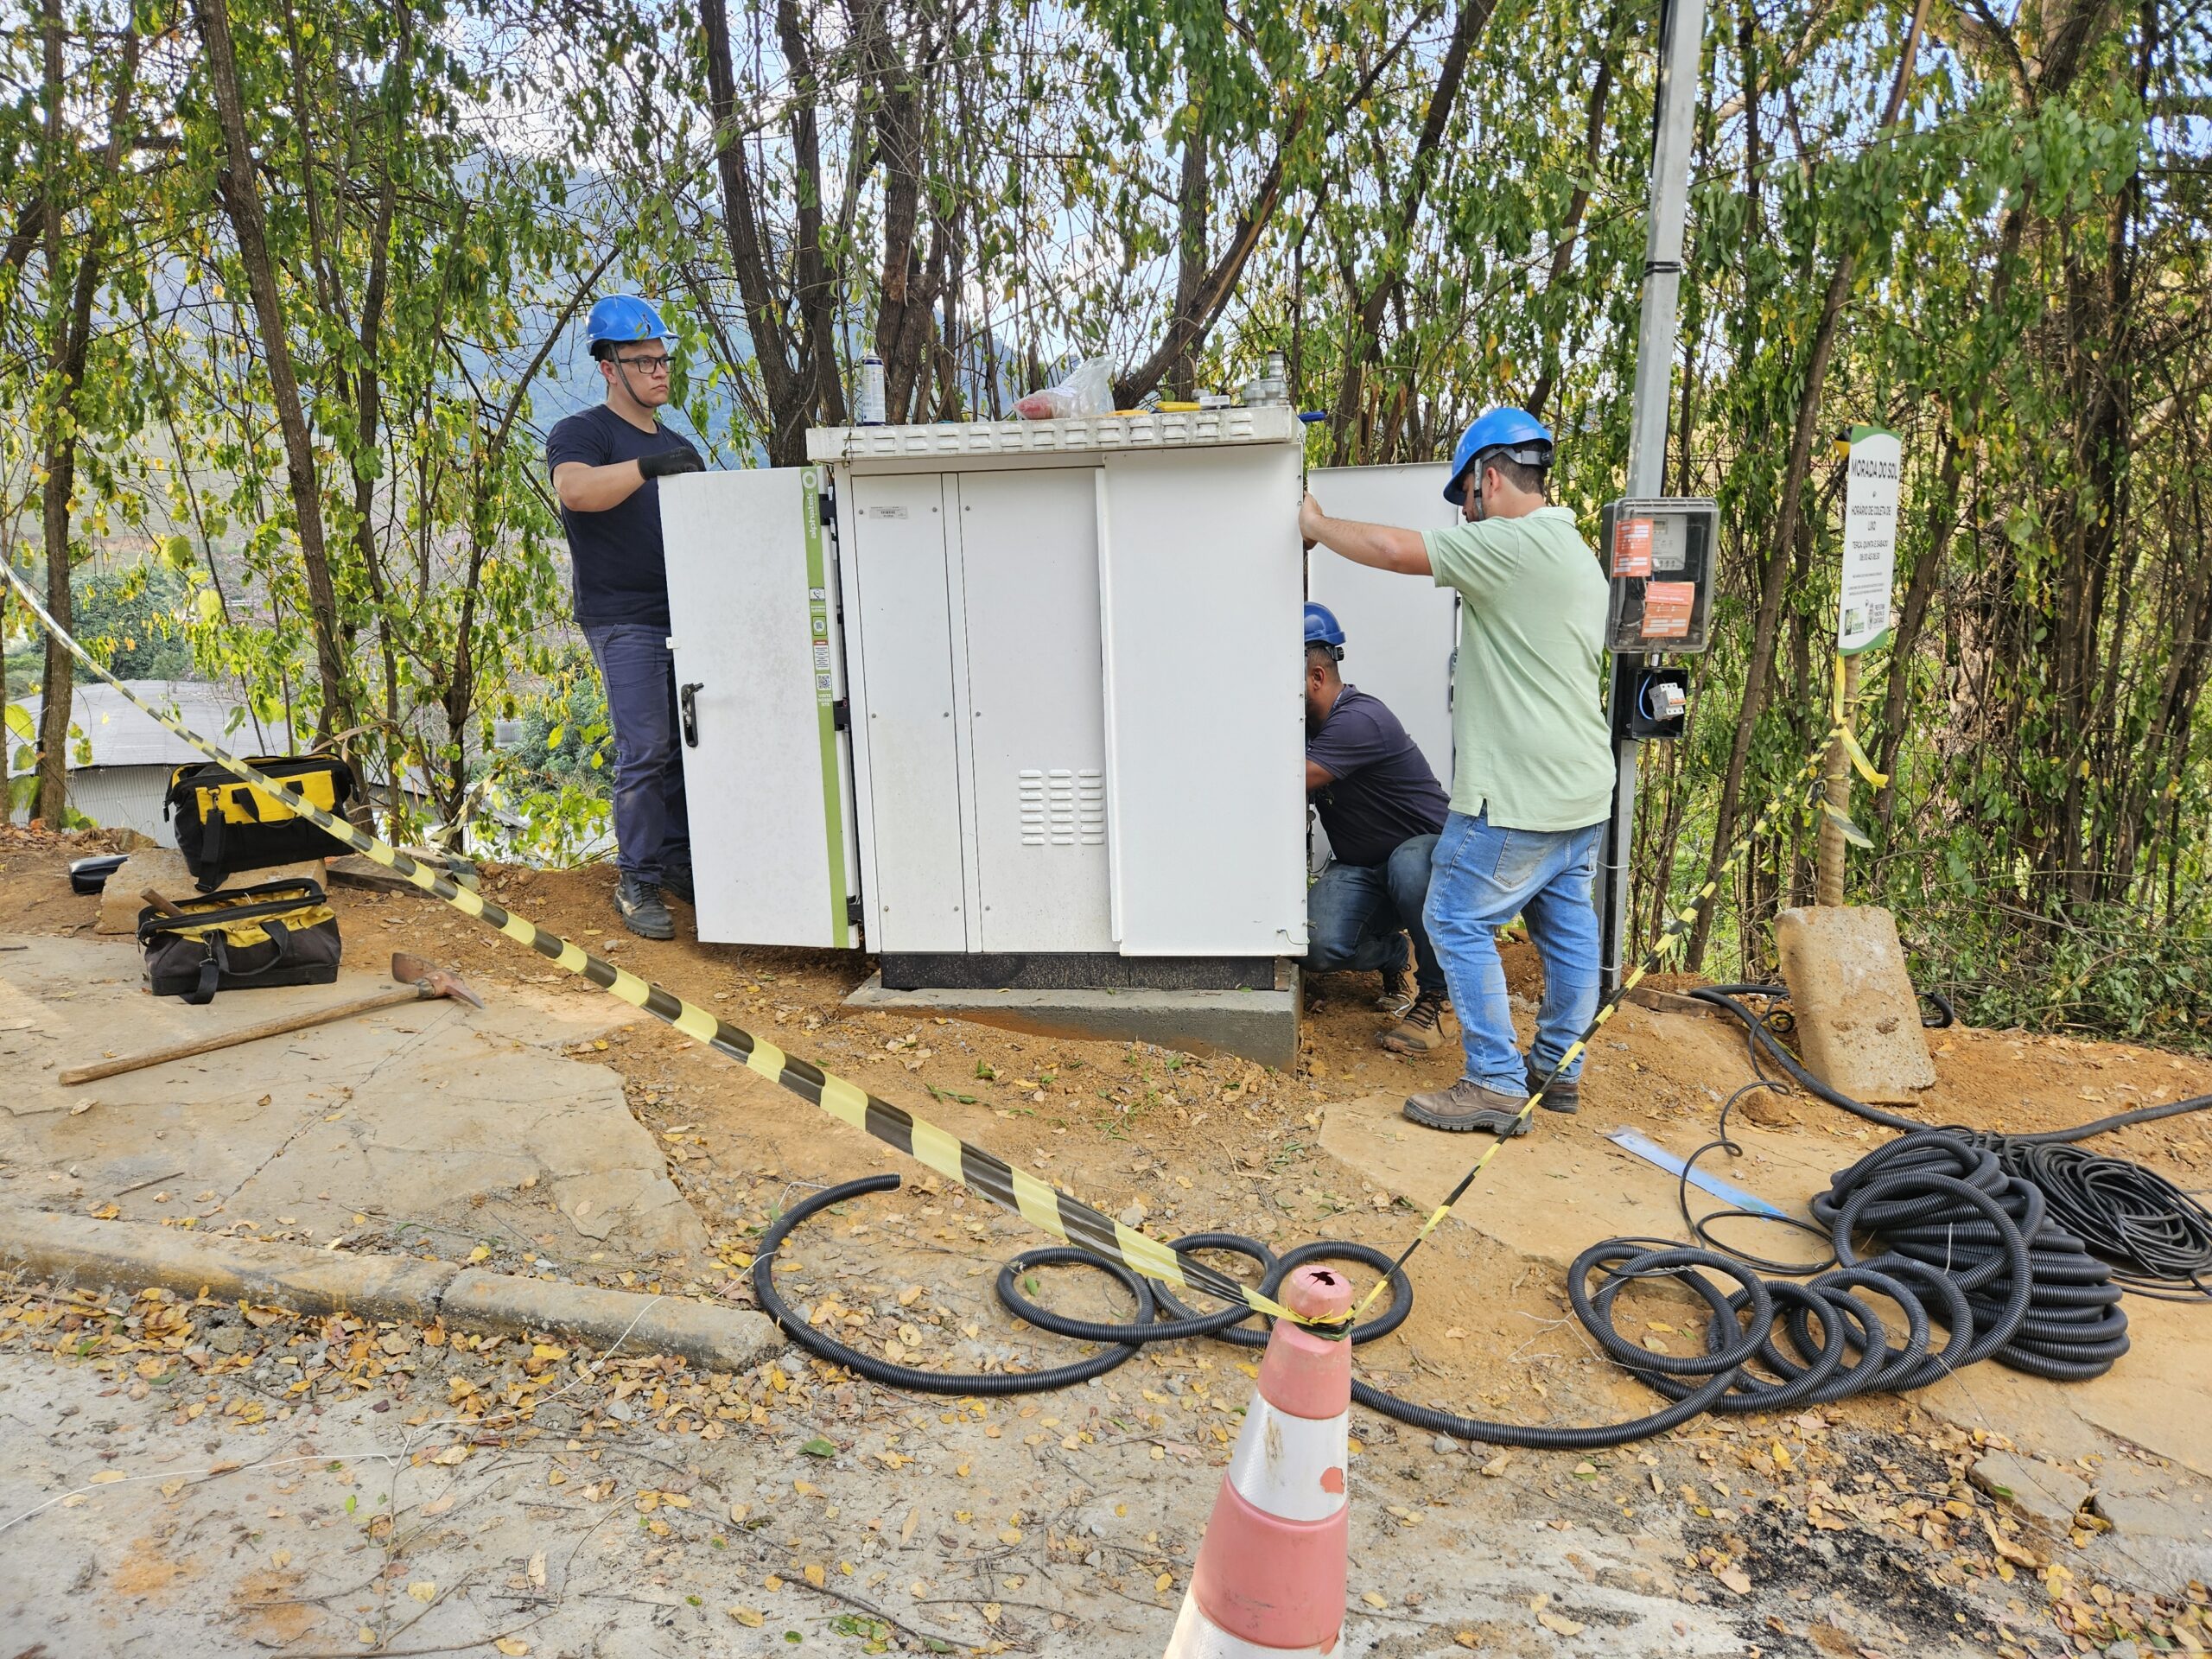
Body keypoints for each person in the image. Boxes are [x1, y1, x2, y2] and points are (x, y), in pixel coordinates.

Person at [1300, 408, 1611, 1135]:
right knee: (1566, 927)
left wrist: (1315, 524)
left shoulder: (1513, 543)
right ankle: (1557, 1069)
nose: (1465, 517)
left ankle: (1497, 1082)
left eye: (1464, 499)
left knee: (1450, 916)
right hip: (1580, 790)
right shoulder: (1572, 551)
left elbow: (1391, 548)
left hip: (1516, 794)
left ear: (1488, 479)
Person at [548, 295, 707, 941]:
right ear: (609, 367)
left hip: (689, 613)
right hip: (623, 616)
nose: (659, 372)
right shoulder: (584, 433)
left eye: (663, 359)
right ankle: (636, 878)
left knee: (686, 750)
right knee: (645, 748)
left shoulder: (678, 444)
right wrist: (644, 467)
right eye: (643, 361)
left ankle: (674, 862)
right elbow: (577, 492)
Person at [1300, 601, 1452, 1053]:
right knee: (1313, 947)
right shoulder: (1308, 726)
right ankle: (1393, 953)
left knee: (1407, 863)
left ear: (1317, 678)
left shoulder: (1359, 719)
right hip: (1364, 870)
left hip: (1428, 863)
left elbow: (1284, 778)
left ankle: (1437, 997)